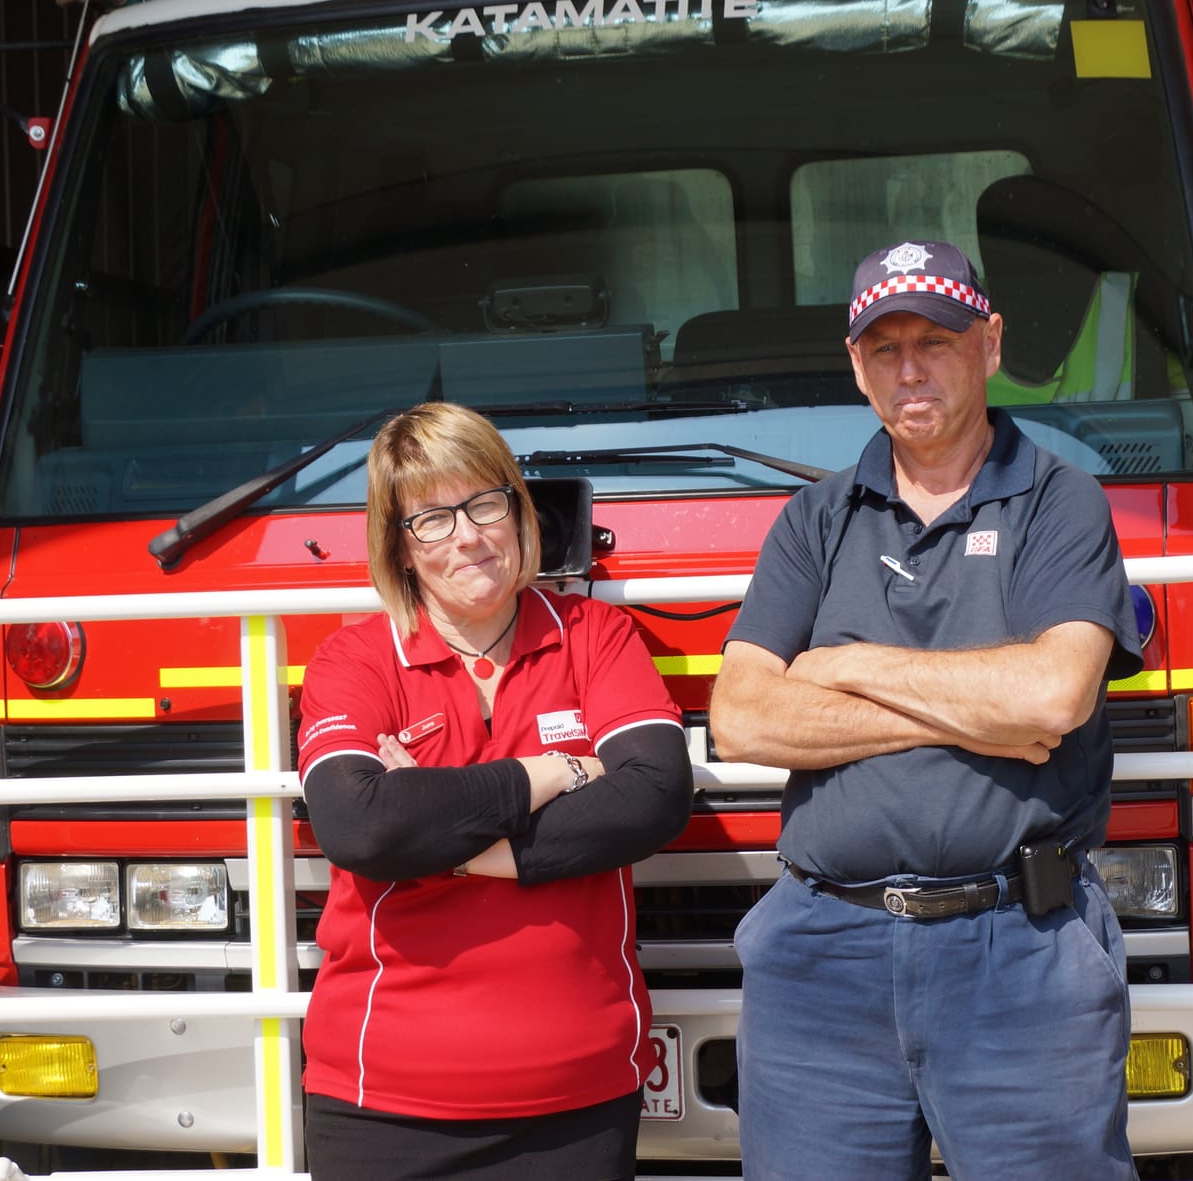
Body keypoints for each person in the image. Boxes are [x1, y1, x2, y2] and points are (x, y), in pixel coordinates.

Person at [711, 239, 1144, 1180]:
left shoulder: (1061, 504)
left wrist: (847, 664)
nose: (910, 369)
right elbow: (742, 716)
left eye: (937, 342)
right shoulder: (813, 520)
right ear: (856, 366)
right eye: (885, 348)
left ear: (989, 345)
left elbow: (1052, 694)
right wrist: (973, 711)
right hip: (822, 957)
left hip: (1019, 952)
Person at [295, 401, 693, 1181]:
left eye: (484, 503)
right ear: (399, 549)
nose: (468, 536)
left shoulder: (594, 635)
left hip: (579, 1095)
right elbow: (362, 829)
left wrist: (456, 844)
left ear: (517, 511)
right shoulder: (353, 660)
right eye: (432, 519)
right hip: (383, 1101)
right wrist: (557, 770)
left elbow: (654, 796)